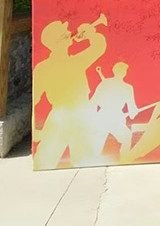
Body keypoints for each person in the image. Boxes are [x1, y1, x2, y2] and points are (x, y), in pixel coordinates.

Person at [32, 19, 106, 169]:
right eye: (66, 33)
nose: (70, 33)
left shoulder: (44, 67)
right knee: (48, 161)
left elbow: (99, 47)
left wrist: (90, 34)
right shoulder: (72, 62)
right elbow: (99, 46)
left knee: (79, 162)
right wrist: (91, 34)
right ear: (60, 40)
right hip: (71, 117)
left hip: (68, 117)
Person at [90, 62, 139, 159]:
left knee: (97, 145)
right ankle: (124, 160)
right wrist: (134, 111)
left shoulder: (105, 83)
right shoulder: (127, 87)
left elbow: (93, 102)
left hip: (103, 117)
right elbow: (132, 113)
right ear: (125, 73)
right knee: (126, 138)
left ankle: (123, 160)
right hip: (113, 119)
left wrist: (95, 117)